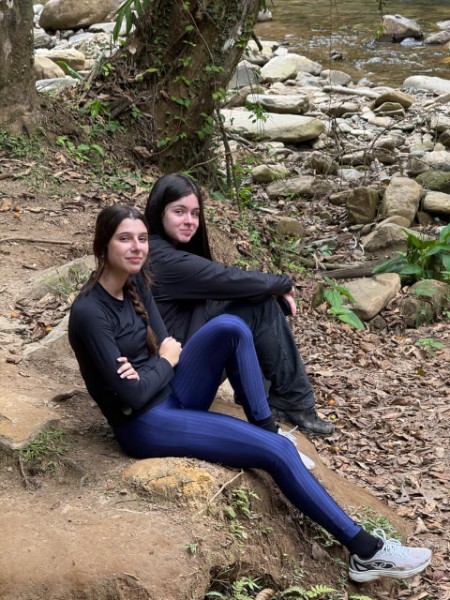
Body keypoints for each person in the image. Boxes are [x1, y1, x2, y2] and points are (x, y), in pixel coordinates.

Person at [68, 204, 432, 584]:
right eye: (125, 239)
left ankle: (265, 427)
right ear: (103, 244)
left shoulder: (137, 282)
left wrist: (152, 368)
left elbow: (167, 348)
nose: (136, 247)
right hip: (145, 424)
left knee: (231, 326)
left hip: (169, 393)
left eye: (142, 238)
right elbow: (137, 393)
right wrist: (161, 363)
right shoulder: (90, 312)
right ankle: (366, 552)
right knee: (278, 454)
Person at [144, 172, 333, 437]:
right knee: (260, 306)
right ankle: (295, 403)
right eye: (179, 211)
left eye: (195, 213)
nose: (189, 221)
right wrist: (282, 283)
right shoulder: (163, 259)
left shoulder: (159, 251)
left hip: (177, 364)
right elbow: (226, 279)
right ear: (158, 211)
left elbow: (223, 287)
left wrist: (263, 292)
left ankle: (268, 396)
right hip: (175, 384)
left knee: (255, 301)